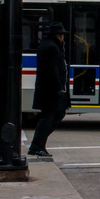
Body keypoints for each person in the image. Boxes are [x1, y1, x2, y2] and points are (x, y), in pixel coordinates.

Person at [28, 22, 70, 157]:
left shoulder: (50, 46)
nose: (63, 37)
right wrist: (58, 88)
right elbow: (52, 71)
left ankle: (38, 144)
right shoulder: (51, 48)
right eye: (62, 34)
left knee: (56, 114)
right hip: (51, 91)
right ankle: (37, 145)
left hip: (49, 90)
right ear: (58, 35)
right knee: (50, 117)